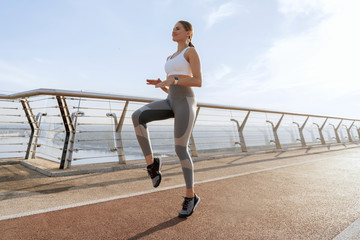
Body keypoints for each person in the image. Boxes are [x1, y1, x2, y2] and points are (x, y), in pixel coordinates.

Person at [132, 20, 202, 218]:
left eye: (178, 28)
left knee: (180, 149)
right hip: (170, 100)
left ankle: (191, 196)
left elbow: (198, 80)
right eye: (173, 28)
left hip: (186, 102)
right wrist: (163, 84)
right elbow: (173, 86)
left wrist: (175, 79)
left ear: (188, 33)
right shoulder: (170, 57)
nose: (173, 30)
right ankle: (152, 164)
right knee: (137, 116)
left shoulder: (191, 52)